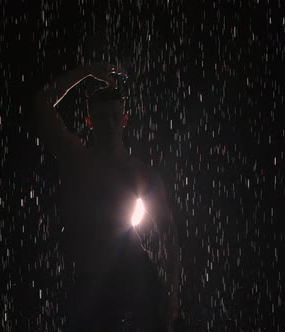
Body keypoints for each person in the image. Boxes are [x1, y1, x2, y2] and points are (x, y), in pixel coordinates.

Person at [34, 63, 180, 332]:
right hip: (91, 279)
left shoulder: (142, 174)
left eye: (115, 116)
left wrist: (171, 292)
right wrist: (85, 72)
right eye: (101, 117)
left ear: (125, 119)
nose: (109, 124)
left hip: (135, 276)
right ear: (89, 121)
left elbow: (167, 235)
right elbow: (41, 103)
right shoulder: (75, 157)